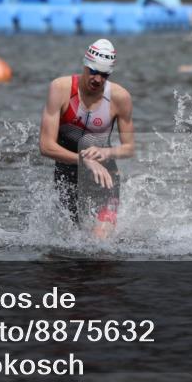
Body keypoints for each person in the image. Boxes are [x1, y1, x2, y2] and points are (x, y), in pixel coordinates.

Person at [39, 39, 135, 239]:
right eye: (93, 71)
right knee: (71, 244)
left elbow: (129, 148)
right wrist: (84, 161)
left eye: (104, 75)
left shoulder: (120, 97)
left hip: (104, 176)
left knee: (99, 242)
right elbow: (46, 146)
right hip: (67, 175)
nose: (98, 79)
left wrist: (106, 152)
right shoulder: (60, 89)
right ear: (85, 64)